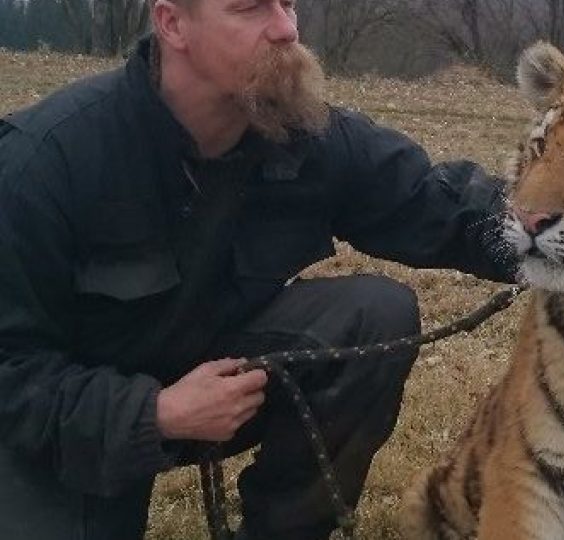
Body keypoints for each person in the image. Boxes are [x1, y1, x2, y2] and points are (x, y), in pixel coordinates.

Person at [0, 0, 517, 538]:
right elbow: (9, 371)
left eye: (288, 4)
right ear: (172, 24)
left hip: (219, 380)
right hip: (68, 427)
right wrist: (154, 413)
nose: (287, 28)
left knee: (373, 314)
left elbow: (431, 202)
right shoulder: (46, 162)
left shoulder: (298, 132)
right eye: (250, 9)